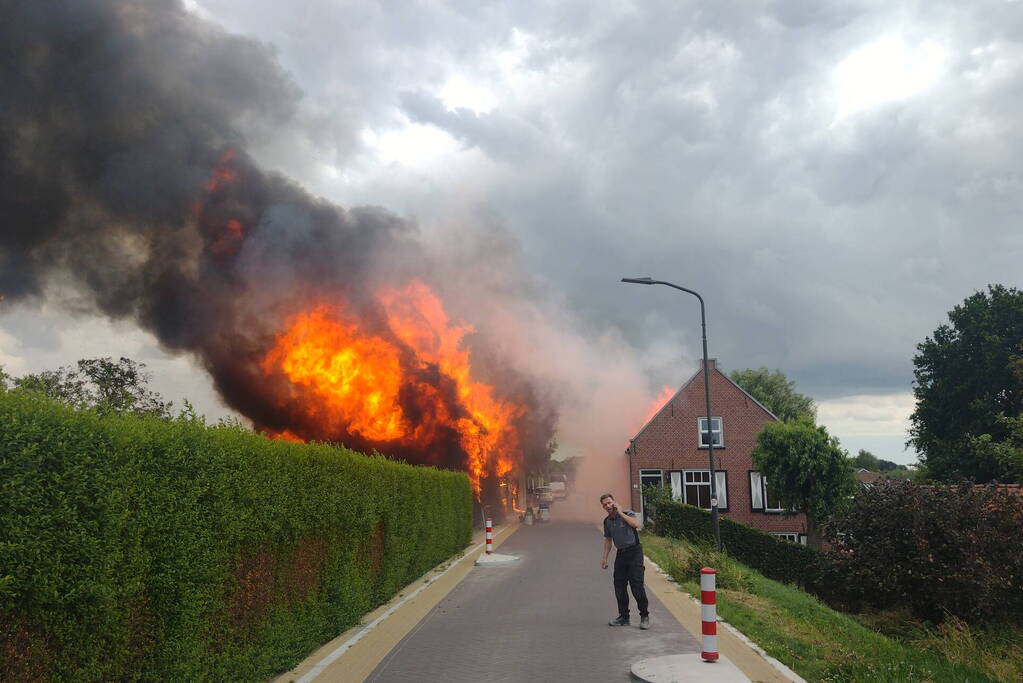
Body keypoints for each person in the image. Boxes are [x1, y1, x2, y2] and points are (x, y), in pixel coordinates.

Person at [600, 492, 650, 629]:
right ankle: (624, 617)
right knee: (619, 585)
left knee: (636, 585)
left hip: (634, 552)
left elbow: (636, 524)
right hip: (621, 554)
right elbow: (608, 540)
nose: (608, 506)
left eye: (609, 502)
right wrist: (604, 558)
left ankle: (644, 616)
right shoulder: (607, 521)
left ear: (614, 502)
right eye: (605, 505)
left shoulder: (628, 513)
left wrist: (620, 513)